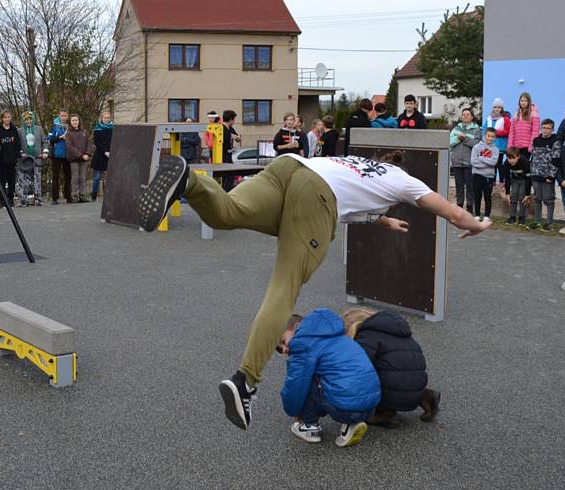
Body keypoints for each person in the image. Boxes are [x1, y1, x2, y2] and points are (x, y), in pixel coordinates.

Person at [136, 150, 491, 431]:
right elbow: (451, 212)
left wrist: (383, 219)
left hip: (288, 170)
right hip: (316, 198)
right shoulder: (403, 181)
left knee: (227, 212)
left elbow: (357, 204)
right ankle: (245, 381)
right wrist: (475, 223)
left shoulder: (353, 164)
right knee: (284, 288)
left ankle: (190, 184)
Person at [279, 309, 381, 447]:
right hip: (371, 408)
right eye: (280, 350)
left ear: (297, 326)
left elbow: (294, 388)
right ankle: (350, 426)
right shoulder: (340, 337)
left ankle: (309, 428)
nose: (285, 349)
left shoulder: (303, 345)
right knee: (330, 376)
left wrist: (294, 411)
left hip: (346, 409)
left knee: (305, 381)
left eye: (283, 341)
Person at [342, 307, 440, 428]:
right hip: (417, 387)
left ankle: (386, 413)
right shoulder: (402, 333)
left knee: (367, 378)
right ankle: (426, 397)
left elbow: (358, 368)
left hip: (392, 394)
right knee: (398, 373)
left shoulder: (366, 337)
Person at [528, 119, 560, 231]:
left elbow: (556, 160)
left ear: (552, 129)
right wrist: (532, 172)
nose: (545, 130)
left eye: (548, 128)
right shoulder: (536, 140)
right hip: (536, 175)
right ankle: (537, 221)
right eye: (544, 127)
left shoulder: (555, 141)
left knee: (549, 200)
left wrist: (551, 176)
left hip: (547, 177)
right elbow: (533, 157)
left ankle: (549, 223)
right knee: (537, 199)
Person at [449, 108, 481, 213]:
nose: (465, 116)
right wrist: (459, 138)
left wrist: (465, 139)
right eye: (463, 114)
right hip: (457, 162)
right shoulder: (456, 128)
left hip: (469, 163)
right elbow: (449, 142)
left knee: (470, 186)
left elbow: (477, 144)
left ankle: (469, 208)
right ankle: (459, 207)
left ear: (472, 117)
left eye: (468, 114)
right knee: (459, 186)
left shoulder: (476, 130)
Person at [17, 111, 48, 207]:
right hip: (25, 159)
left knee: (37, 178)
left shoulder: (39, 129)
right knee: (23, 179)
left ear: (33, 119)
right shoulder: (20, 131)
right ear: (23, 120)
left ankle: (38, 198)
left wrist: (45, 152)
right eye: (26, 119)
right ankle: (23, 199)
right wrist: (21, 153)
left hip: (37, 158)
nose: (28, 121)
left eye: (30, 119)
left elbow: (44, 141)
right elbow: (17, 144)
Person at [470, 127, 500, 222]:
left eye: (492, 136)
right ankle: (477, 214)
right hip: (477, 175)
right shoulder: (476, 147)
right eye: (488, 136)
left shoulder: (495, 149)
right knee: (477, 195)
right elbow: (473, 162)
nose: (490, 138)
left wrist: (481, 158)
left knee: (487, 196)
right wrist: (486, 163)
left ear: (495, 138)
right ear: (484, 136)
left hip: (489, 176)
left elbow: (493, 163)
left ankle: (487, 215)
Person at [483, 98, 511, 190]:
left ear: (502, 108)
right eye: (495, 107)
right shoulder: (489, 118)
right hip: (490, 144)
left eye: (499, 107)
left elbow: (507, 131)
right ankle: (493, 180)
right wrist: (485, 137)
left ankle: (502, 181)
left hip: (500, 146)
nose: (497, 109)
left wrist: (495, 133)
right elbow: (484, 128)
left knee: (499, 163)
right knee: (492, 164)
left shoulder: (505, 119)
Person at [0, 111, 21, 207]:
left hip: (12, 160)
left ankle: (10, 199)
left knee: (12, 182)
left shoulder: (14, 129)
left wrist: (16, 155)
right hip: (2, 161)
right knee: (2, 181)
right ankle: (3, 201)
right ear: (2, 118)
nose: (7, 119)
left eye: (9, 117)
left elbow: (17, 143)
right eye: (5, 117)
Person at [48, 109, 72, 204]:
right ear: (59, 116)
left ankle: (68, 196)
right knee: (55, 176)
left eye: (66, 116)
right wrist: (60, 137)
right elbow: (49, 140)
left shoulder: (70, 126)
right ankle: (55, 198)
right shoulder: (54, 127)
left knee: (68, 177)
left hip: (68, 155)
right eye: (62, 116)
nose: (64, 118)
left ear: (68, 116)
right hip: (56, 155)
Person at [65, 114, 91, 202]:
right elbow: (69, 147)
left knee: (82, 178)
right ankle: (75, 196)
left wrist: (87, 154)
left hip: (84, 159)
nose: (75, 122)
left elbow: (89, 144)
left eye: (76, 120)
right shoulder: (68, 133)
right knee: (75, 178)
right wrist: (80, 155)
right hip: (74, 159)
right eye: (73, 120)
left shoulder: (85, 132)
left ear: (79, 121)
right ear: (70, 122)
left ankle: (83, 195)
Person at [507, 92, 539, 160]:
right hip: (516, 146)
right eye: (521, 100)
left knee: (524, 165)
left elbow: (535, 131)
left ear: (529, 102)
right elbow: (512, 131)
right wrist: (510, 145)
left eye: (525, 101)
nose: (523, 102)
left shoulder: (534, 113)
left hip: (527, 147)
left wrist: (531, 145)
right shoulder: (516, 113)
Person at [504, 146, 532, 225]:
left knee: (522, 197)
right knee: (513, 196)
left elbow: (529, 179)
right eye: (509, 158)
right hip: (515, 180)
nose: (511, 161)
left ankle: (522, 217)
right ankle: (512, 217)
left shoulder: (525, 162)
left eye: (513, 158)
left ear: (518, 157)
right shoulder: (506, 163)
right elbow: (507, 178)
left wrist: (527, 194)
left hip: (524, 180)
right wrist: (507, 193)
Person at [91, 111, 113, 200]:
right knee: (97, 177)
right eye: (105, 118)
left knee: (110, 177)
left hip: (111, 155)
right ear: (102, 118)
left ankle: (108, 195)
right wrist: (105, 151)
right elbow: (96, 142)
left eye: (108, 118)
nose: (107, 119)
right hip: (100, 155)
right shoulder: (97, 129)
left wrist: (111, 151)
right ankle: (94, 196)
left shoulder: (113, 128)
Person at [220, 110, 240, 191]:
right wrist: (231, 136)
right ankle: (225, 192)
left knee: (230, 175)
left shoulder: (231, 128)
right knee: (227, 176)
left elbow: (237, 138)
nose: (234, 121)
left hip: (229, 155)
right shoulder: (221, 128)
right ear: (231, 119)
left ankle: (226, 192)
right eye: (234, 119)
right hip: (222, 156)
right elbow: (224, 138)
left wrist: (236, 137)